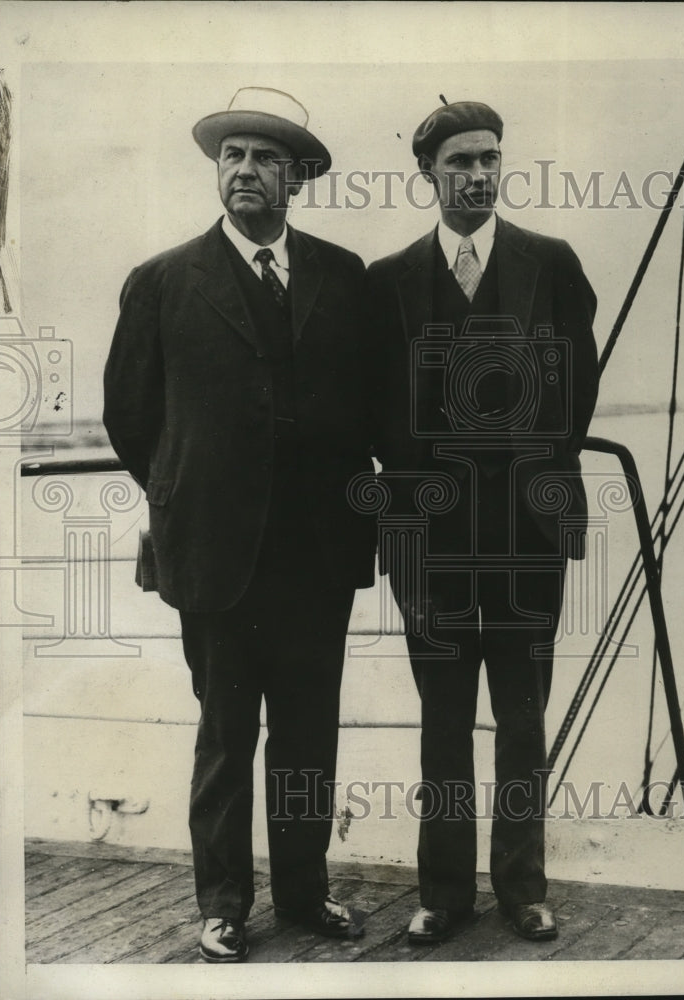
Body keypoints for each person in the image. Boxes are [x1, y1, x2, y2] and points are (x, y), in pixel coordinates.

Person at [103, 87, 376, 963]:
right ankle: (221, 904)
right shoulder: (161, 281)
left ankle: (304, 895)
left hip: (319, 556)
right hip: (217, 557)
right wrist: (190, 492)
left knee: (308, 735)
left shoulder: (343, 276)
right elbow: (131, 417)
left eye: (265, 158)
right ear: (218, 173)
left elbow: (366, 403)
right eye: (233, 156)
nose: (246, 171)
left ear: (296, 178)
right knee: (225, 737)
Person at [367, 99, 599, 944]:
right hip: (429, 543)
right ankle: (443, 894)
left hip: (528, 538)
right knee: (442, 723)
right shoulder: (387, 281)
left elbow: (578, 392)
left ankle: (523, 889)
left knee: (523, 719)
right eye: (459, 161)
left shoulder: (551, 263)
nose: (478, 174)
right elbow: (379, 412)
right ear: (427, 173)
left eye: (490, 158)